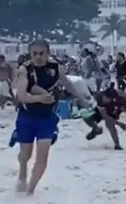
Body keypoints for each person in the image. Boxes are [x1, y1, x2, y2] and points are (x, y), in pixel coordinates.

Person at [14, 40, 87, 195]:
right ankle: (22, 172)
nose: (38, 57)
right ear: (30, 54)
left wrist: (81, 97)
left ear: (48, 54)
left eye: (42, 53)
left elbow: (67, 83)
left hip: (47, 117)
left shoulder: (56, 67)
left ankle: (30, 190)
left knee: (43, 152)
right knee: (25, 154)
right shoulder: (24, 70)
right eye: (34, 54)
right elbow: (21, 96)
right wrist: (39, 98)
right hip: (27, 116)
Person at [83, 85, 126, 150]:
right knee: (88, 118)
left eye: (110, 99)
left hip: (113, 105)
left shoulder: (117, 96)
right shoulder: (97, 99)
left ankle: (117, 144)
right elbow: (106, 116)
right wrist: (120, 124)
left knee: (110, 125)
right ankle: (95, 129)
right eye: (107, 99)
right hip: (98, 110)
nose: (108, 100)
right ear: (104, 96)